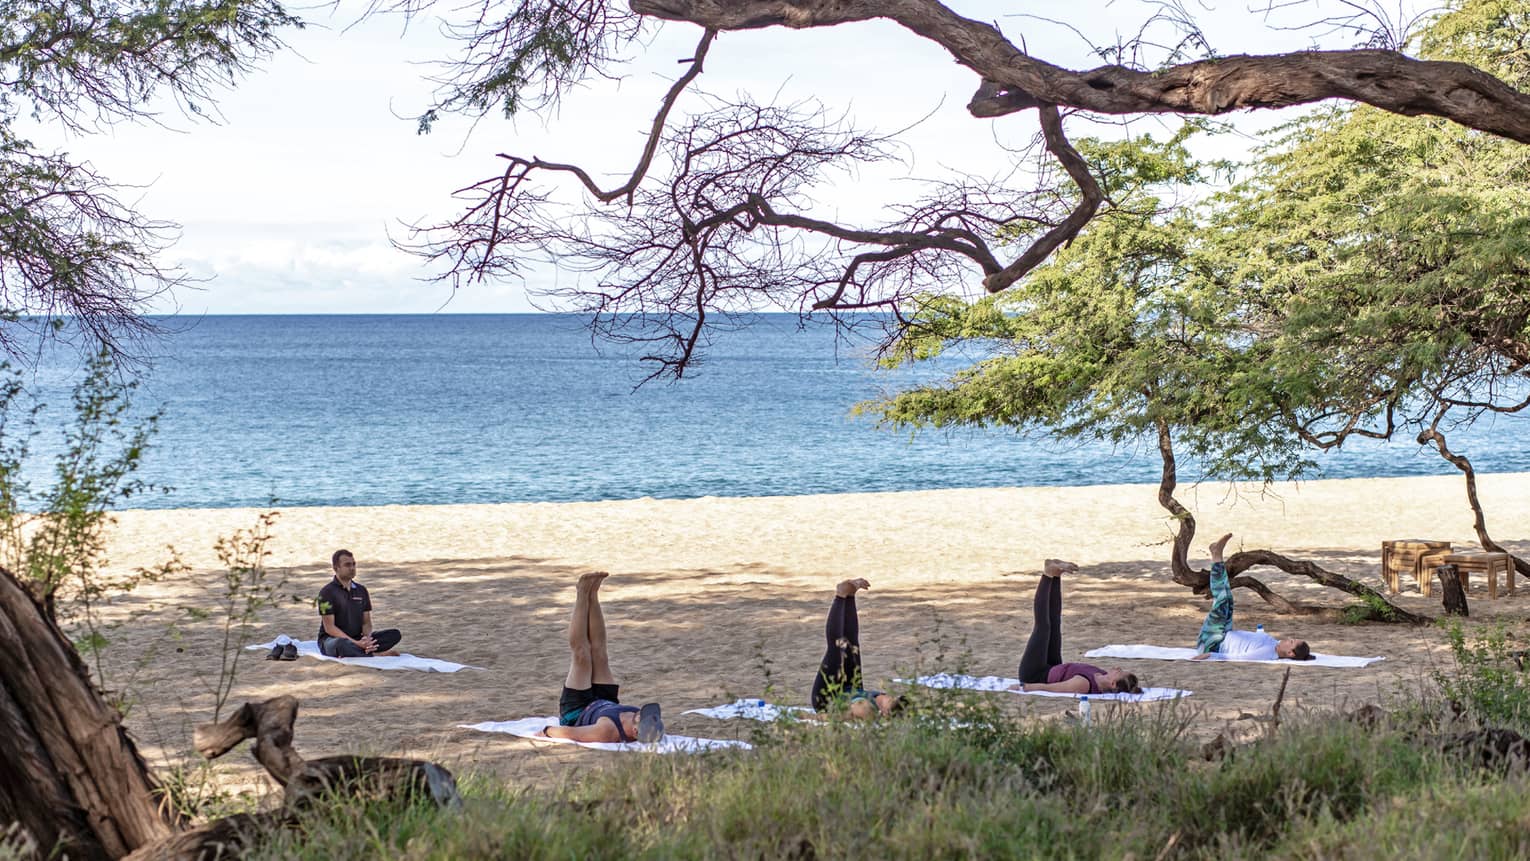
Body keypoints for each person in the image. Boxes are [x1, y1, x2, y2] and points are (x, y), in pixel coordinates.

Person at [541, 572, 664, 744]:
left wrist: (547, 731)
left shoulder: (606, 732)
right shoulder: (637, 715)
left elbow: (571, 733)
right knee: (600, 654)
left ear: (635, 731)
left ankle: (582, 593)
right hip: (605, 702)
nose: (641, 713)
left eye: (640, 718)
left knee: (581, 657)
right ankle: (593, 593)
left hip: (578, 711)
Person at [1009, 559, 1143, 695]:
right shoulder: (1102, 674)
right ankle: (1055, 575)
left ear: (1113, 683)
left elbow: (1051, 689)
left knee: (1043, 627)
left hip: (1035, 675)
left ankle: (1047, 575)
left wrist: (1024, 687)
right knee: (1055, 624)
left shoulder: (1083, 685)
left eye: (1119, 672)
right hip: (1054, 667)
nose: (1117, 668)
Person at [1192, 533, 1314, 661]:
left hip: (1212, 643)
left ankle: (1217, 555)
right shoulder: (1274, 644)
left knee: (1222, 601)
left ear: (1290, 653)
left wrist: (1211, 655)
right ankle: (1216, 555)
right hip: (1224, 632)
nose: (1288, 639)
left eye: (1291, 642)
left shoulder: (1267, 653)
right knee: (1228, 599)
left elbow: (1239, 658)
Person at [810, 578, 905, 719]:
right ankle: (850, 596)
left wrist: (805, 717)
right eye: (893, 699)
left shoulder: (866, 710)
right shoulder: (882, 700)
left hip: (827, 698)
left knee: (837, 648)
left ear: (886, 714)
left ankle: (840, 596)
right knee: (852, 643)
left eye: (891, 703)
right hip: (852, 687)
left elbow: (832, 717)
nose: (890, 699)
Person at [316, 549, 402, 657]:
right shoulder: (326, 592)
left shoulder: (361, 590)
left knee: (394, 634)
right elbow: (330, 628)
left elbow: (366, 622)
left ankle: (366, 650)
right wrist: (357, 643)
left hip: (358, 638)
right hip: (332, 640)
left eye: (353, 564)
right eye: (347, 565)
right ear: (336, 568)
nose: (352, 568)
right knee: (341, 645)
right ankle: (375, 654)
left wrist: (367, 640)